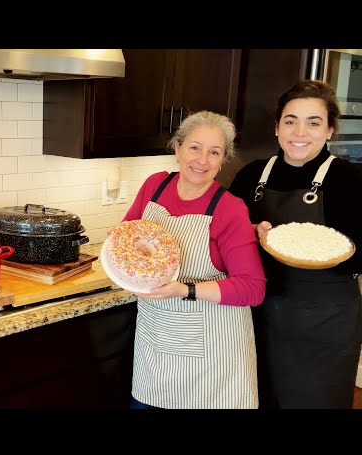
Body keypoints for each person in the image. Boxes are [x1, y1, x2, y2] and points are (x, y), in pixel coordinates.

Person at [115, 110, 266, 409]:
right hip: (155, 343)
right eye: (195, 147)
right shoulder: (154, 187)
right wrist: (119, 242)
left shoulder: (229, 208)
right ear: (178, 148)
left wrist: (186, 289)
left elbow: (253, 288)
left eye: (214, 152)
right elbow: (128, 236)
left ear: (223, 159)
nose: (202, 160)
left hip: (211, 355)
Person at [229, 79, 362, 409]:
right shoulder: (251, 176)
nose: (300, 132)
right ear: (277, 127)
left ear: (330, 130)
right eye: (291, 120)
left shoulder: (349, 180)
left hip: (321, 323)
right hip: (256, 315)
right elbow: (221, 236)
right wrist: (247, 232)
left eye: (314, 122)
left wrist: (316, 250)